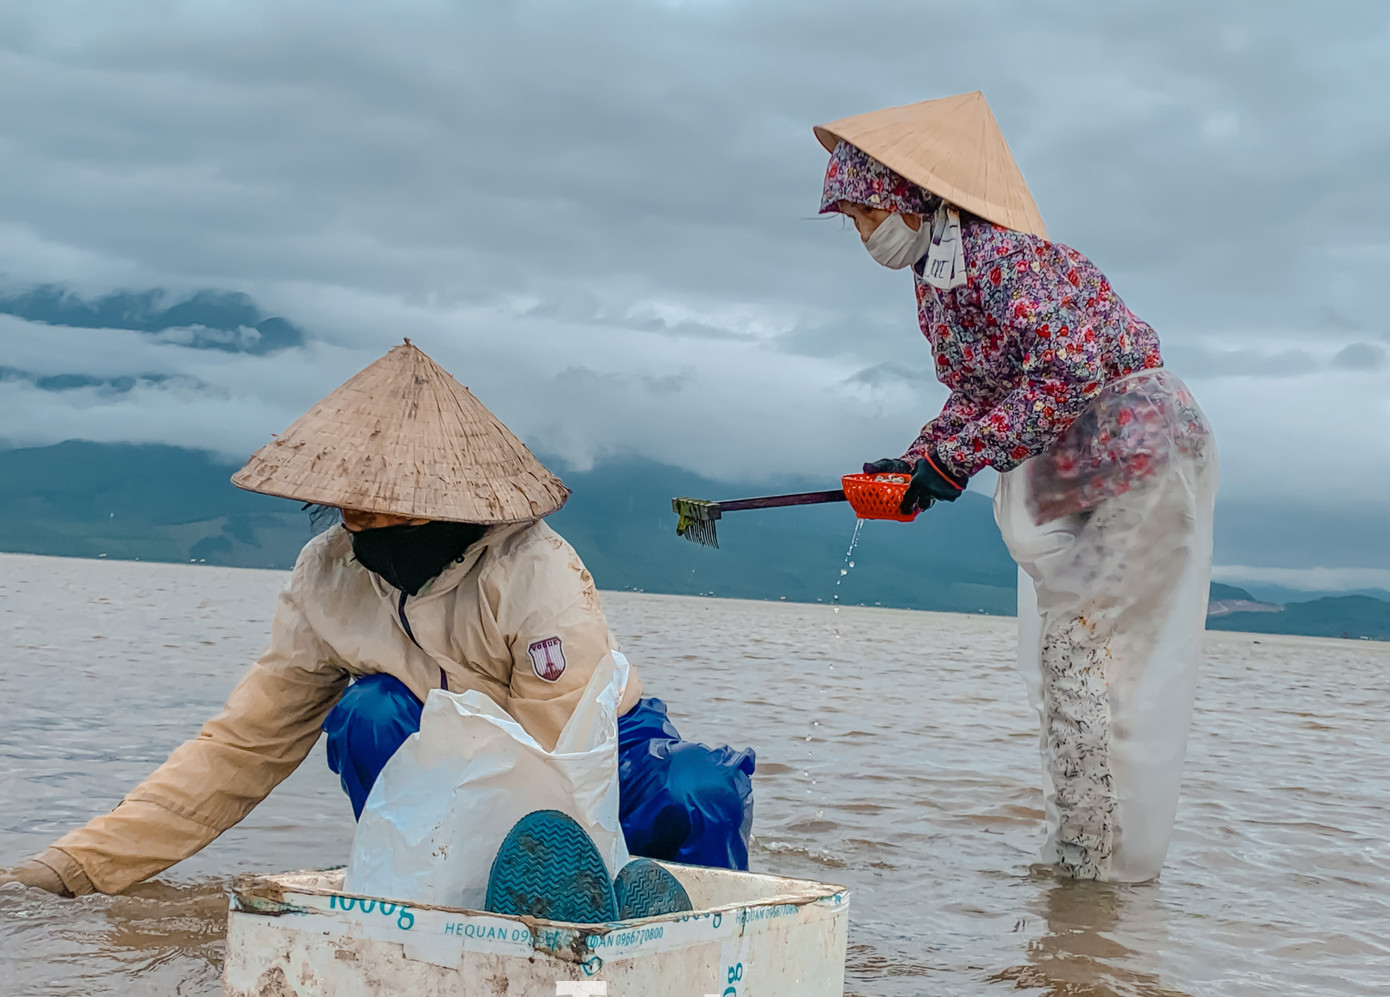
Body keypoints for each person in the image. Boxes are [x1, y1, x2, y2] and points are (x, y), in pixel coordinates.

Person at [1, 341, 755, 905]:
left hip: (591, 749)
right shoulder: (326, 576)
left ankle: (699, 938)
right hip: (447, 755)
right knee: (367, 712)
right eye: (351, 512)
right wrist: (76, 868)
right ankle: (418, 905)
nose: (363, 527)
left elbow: (560, 764)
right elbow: (240, 748)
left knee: (702, 787)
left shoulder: (536, 571)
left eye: (386, 510)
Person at [816, 92, 1217, 882]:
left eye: (866, 213)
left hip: (1134, 443)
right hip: (1085, 454)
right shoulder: (940, 282)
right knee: (1066, 661)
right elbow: (980, 392)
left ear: (910, 197)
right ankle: (1086, 879)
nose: (864, 233)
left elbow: (1059, 376)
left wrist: (955, 462)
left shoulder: (1008, 260)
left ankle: (1099, 872)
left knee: (1085, 661)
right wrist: (917, 462)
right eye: (854, 220)